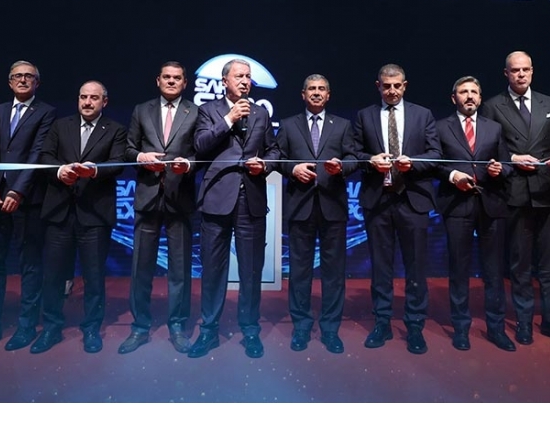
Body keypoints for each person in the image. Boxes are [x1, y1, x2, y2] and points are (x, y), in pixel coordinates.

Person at [480, 51, 550, 347]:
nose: (521, 74)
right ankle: (523, 322)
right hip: (515, 193)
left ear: (532, 71)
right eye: (515, 70)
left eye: (525, 70)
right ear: (506, 74)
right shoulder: (492, 106)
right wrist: (511, 158)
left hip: (547, 190)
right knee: (520, 264)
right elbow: (488, 148)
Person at [188, 59, 281, 359]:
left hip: (250, 199)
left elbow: (274, 150)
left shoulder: (261, 113)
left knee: (251, 270)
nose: (245, 81)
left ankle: (250, 330)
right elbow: (200, 144)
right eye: (239, 76)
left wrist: (265, 165)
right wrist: (229, 119)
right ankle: (208, 330)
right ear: (224, 81)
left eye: (248, 77)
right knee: (213, 269)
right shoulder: (208, 110)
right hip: (217, 198)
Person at [353, 63, 440, 355]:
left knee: (416, 266)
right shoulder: (364, 116)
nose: (392, 91)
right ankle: (382, 323)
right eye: (386, 86)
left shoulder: (423, 114)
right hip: (378, 200)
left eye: (397, 85)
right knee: (381, 267)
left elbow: (435, 155)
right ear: (378, 86)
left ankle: (415, 326)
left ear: (405, 86)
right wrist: (370, 160)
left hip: (412, 199)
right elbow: (353, 153)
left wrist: (413, 163)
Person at [34, 81, 126, 354]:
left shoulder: (115, 130)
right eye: (83, 97)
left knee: (94, 277)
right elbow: (45, 156)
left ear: (104, 102)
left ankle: (91, 328)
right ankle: (51, 328)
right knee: (53, 275)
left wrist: (94, 171)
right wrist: (59, 171)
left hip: (94, 215)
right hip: (59, 213)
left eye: (93, 98)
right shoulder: (60, 126)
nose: (87, 102)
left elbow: (118, 163)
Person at [0, 61, 56, 353]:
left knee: (30, 265)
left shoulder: (46, 112)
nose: (22, 80)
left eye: (28, 76)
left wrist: (18, 190)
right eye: (17, 76)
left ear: (37, 83)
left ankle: (26, 326)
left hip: (28, 201)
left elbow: (38, 154)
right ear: (9, 82)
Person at [276, 74, 357, 354]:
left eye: (322, 89)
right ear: (303, 94)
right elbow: (278, 158)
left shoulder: (343, 125)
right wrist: (292, 169)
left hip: (333, 207)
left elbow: (353, 158)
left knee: (334, 273)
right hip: (300, 207)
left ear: (328, 95)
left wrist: (342, 167)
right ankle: (301, 327)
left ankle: (330, 329)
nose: (317, 92)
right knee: (300, 272)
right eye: (311, 88)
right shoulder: (288, 125)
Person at [120, 62, 198, 354]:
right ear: (158, 80)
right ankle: (140, 327)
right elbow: (128, 148)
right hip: (148, 196)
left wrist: (187, 165)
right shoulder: (142, 110)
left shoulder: (195, 112)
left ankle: (177, 325)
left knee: (180, 269)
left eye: (177, 78)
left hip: (180, 197)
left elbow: (200, 152)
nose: (171, 81)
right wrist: (140, 157)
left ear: (185, 83)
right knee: (141, 267)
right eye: (167, 77)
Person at [435, 76, 513, 352]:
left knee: (494, 272)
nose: (469, 96)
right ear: (453, 97)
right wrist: (453, 175)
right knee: (459, 270)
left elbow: (507, 163)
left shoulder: (494, 127)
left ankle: (497, 328)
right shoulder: (440, 127)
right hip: (456, 205)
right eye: (463, 92)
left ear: (480, 98)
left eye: (474, 92)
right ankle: (461, 328)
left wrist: (500, 170)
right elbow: (434, 163)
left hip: (491, 205)